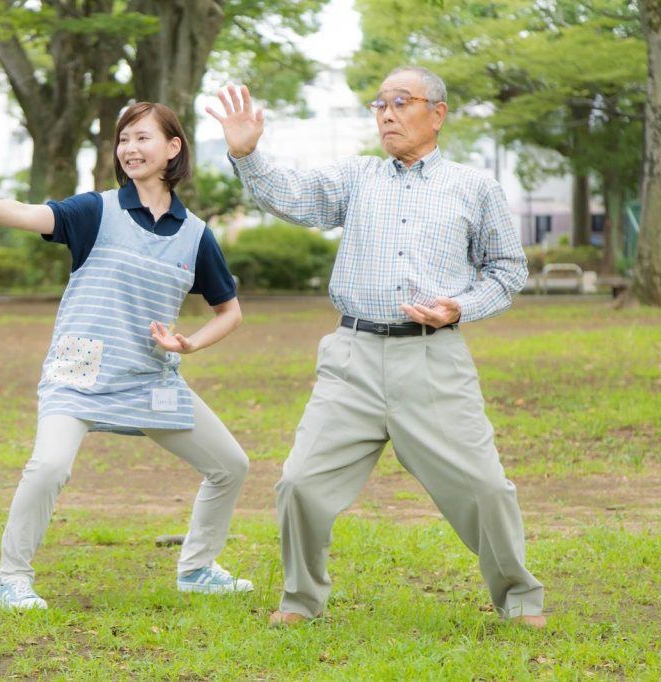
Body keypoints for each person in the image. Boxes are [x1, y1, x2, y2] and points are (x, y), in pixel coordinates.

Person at [207, 67, 546, 628]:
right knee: (300, 483)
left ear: (436, 114)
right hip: (352, 357)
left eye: (400, 102)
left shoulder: (474, 186)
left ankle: (518, 598)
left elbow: (507, 271)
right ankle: (300, 600)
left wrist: (459, 306)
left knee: (486, 487)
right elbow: (294, 198)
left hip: (434, 359)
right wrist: (248, 156)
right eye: (379, 104)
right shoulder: (359, 177)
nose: (386, 113)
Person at [0, 102, 253, 611]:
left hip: (149, 377)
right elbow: (30, 214)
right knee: (48, 467)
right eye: (123, 139)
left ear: (174, 148)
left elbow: (229, 312)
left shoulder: (195, 234)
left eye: (143, 138)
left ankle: (197, 569)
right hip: (79, 371)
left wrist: (191, 343)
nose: (130, 148)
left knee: (231, 466)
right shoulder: (96, 210)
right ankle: (13, 579)